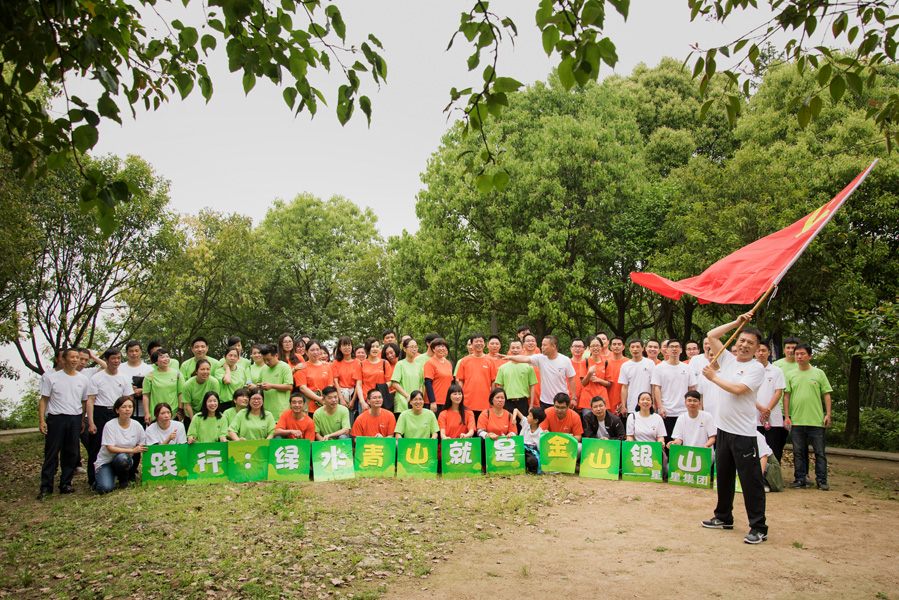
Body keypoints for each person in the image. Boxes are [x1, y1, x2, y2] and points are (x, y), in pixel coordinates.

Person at [699, 312, 768, 545]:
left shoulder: (756, 368)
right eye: (742, 340)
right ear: (736, 342)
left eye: (751, 343)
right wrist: (737, 323)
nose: (745, 345)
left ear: (757, 349)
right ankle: (723, 516)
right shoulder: (728, 359)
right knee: (724, 477)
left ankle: (758, 527)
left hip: (743, 434)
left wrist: (713, 377)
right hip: (724, 430)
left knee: (750, 481)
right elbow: (712, 335)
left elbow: (738, 389)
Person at [37, 348, 89, 499]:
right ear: (63, 359)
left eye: (77, 357)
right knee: (52, 452)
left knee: (71, 452)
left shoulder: (83, 379)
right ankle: (46, 486)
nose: (75, 360)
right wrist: (42, 420)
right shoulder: (52, 378)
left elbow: (84, 401)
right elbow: (44, 399)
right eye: (72, 357)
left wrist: (82, 420)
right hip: (56, 418)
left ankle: (66, 483)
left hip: (74, 418)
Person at [783, 343, 833, 491]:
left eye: (802, 354)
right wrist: (787, 416)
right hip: (797, 421)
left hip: (816, 421)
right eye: (797, 354)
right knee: (798, 452)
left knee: (819, 452)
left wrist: (828, 414)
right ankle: (800, 478)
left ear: (810, 356)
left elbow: (826, 394)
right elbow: (786, 396)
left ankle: (822, 480)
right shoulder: (790, 375)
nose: (799, 356)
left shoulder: (819, 373)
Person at [86, 348, 133, 489]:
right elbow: (90, 400)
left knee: (121, 444)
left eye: (118, 358)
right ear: (106, 360)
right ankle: (93, 479)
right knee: (96, 446)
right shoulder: (96, 378)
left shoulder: (124, 377)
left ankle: (123, 477)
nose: (116, 361)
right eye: (113, 358)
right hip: (100, 412)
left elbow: (128, 398)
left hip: (118, 412)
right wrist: (91, 422)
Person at [502, 335, 576, 410]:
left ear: (553, 346)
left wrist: (573, 398)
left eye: (544, 345)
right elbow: (524, 358)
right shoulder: (540, 358)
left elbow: (571, 379)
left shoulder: (565, 360)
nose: (542, 347)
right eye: (542, 345)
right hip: (545, 401)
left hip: (562, 400)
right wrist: (509, 357)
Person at [94, 396, 147, 494]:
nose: (127, 409)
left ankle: (124, 480)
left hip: (124, 460)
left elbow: (143, 445)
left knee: (122, 458)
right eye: (124, 407)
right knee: (105, 489)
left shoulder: (137, 425)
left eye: (130, 407)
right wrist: (132, 450)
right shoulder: (110, 425)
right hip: (106, 462)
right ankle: (103, 476)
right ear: (117, 410)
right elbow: (110, 448)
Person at [650, 339, 696, 440]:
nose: (674, 349)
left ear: (681, 350)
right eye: (671, 347)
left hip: (683, 411)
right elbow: (656, 388)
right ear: (666, 350)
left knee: (682, 441)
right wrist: (660, 407)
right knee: (667, 441)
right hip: (666, 411)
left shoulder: (687, 368)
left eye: (676, 347)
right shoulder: (659, 368)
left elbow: (692, 388)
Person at [755, 341, 787, 462]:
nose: (761, 353)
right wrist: (760, 408)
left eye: (763, 351)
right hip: (754, 416)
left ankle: (774, 472)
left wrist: (767, 410)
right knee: (755, 449)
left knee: (774, 448)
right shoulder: (749, 370)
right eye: (758, 351)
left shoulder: (776, 371)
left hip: (773, 417)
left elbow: (778, 393)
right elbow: (746, 393)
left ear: (769, 353)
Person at [454, 333, 496, 422]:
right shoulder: (464, 361)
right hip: (467, 402)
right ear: (472, 344)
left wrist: (492, 399)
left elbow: (493, 381)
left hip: (485, 401)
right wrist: (460, 397)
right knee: (469, 427)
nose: (479, 343)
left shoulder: (490, 361)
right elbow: (460, 380)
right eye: (476, 341)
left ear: (485, 344)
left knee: (483, 427)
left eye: (481, 341)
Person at [494, 339, 537, 417]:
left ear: (522, 349)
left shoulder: (529, 366)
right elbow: (500, 387)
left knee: (523, 423)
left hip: (523, 402)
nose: (515, 350)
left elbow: (532, 386)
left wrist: (531, 405)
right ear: (510, 349)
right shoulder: (503, 368)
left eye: (518, 348)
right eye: (513, 348)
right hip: (507, 402)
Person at [142, 348, 185, 423]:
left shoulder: (177, 374)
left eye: (167, 357)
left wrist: (180, 411)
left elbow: (181, 393)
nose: (166, 359)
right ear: (156, 361)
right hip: (155, 414)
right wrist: (147, 413)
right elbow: (146, 395)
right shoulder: (150, 376)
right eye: (162, 357)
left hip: (173, 414)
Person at [119, 340, 154, 426]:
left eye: (136, 351)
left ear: (141, 352)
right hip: (124, 409)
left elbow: (154, 387)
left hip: (142, 409)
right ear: (127, 353)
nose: (134, 353)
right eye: (131, 351)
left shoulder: (149, 369)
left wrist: (142, 390)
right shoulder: (120, 368)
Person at [294, 340, 335, 414]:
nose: (315, 352)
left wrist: (325, 399)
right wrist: (318, 398)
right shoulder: (302, 367)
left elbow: (330, 385)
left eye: (317, 350)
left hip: (325, 405)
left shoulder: (327, 367)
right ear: (306, 352)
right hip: (308, 406)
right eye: (312, 350)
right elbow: (302, 388)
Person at [618, 338, 655, 419]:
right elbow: (624, 387)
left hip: (647, 404)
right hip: (631, 404)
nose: (635, 349)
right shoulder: (625, 366)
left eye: (638, 347)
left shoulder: (650, 363)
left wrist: (653, 403)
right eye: (633, 347)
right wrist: (623, 405)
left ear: (643, 348)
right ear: (629, 349)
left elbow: (653, 386)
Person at [353, 338, 389, 414]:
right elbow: (358, 385)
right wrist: (362, 402)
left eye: (377, 346)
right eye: (372, 346)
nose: (375, 349)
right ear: (367, 348)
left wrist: (380, 389)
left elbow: (389, 382)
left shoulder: (385, 363)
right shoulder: (361, 364)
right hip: (366, 400)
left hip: (381, 400)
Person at [390, 338, 425, 415]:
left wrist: (419, 398)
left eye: (416, 347)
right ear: (404, 349)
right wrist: (407, 396)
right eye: (411, 347)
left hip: (415, 404)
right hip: (403, 402)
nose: (414, 349)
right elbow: (395, 383)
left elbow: (421, 384)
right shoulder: (400, 364)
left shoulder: (419, 366)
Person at [578, 336, 610, 418]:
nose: (595, 348)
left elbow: (609, 383)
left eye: (598, 346)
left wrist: (599, 380)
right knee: (588, 422)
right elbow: (583, 383)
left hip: (602, 399)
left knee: (604, 422)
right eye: (593, 346)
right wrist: (589, 373)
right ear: (589, 348)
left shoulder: (606, 363)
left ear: (601, 347)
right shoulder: (584, 362)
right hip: (587, 400)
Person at [259, 344, 293, 416]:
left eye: (269, 360)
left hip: (281, 410)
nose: (266, 362)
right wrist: (259, 385)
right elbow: (259, 382)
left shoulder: (285, 367)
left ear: (276, 356)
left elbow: (289, 386)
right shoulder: (263, 368)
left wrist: (271, 386)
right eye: (264, 360)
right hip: (266, 410)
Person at [215, 346, 251, 411]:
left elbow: (243, 386)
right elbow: (227, 381)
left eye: (235, 356)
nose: (232, 358)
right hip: (224, 403)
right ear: (225, 357)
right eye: (230, 355)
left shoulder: (242, 370)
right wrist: (227, 368)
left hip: (239, 403)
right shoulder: (219, 371)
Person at [512, 406, 546, 473]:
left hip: (531, 452)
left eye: (530, 416)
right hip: (520, 448)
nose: (527, 417)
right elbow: (516, 410)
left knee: (532, 461)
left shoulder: (540, 433)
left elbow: (540, 450)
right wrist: (514, 418)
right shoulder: (526, 423)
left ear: (536, 420)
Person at [424, 338, 454, 414]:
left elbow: (451, 383)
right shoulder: (430, 363)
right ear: (433, 349)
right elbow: (428, 383)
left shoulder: (448, 363)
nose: (441, 348)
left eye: (443, 346)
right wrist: (432, 401)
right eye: (438, 346)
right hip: (434, 403)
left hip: (446, 402)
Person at [332, 337, 358, 419]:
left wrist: (353, 400)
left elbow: (358, 383)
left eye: (349, 345)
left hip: (354, 393)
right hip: (340, 393)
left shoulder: (357, 362)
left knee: (351, 419)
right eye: (344, 345)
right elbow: (335, 382)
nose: (347, 348)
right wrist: (341, 399)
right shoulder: (336, 363)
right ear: (340, 348)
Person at [604, 337, 629, 415]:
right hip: (607, 402)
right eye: (614, 344)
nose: (617, 346)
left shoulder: (628, 363)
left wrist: (624, 402)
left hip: (623, 403)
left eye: (619, 344)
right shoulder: (605, 363)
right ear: (610, 347)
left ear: (623, 347)